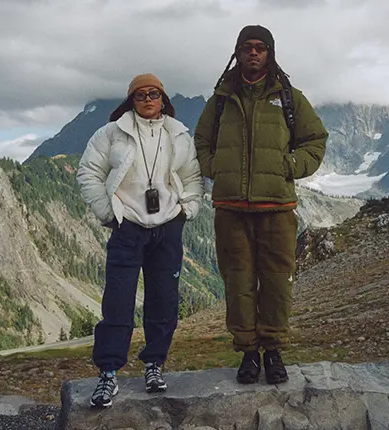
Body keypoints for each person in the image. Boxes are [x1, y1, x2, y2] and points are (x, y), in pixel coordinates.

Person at [193, 25, 328, 385]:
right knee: (237, 283)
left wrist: (290, 167)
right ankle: (248, 353)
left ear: (270, 53)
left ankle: (273, 352)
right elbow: (201, 140)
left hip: (277, 208)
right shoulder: (221, 99)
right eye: (247, 47)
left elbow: (315, 140)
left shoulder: (288, 98)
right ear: (236, 52)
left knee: (276, 283)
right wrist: (216, 167)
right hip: (231, 209)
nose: (253, 53)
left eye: (260, 48)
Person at [77, 73, 204, 407]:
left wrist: (186, 211)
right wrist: (108, 212)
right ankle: (108, 374)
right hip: (127, 227)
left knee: (163, 300)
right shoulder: (110, 133)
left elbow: (192, 176)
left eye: (154, 93)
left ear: (163, 98)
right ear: (131, 100)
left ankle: (154, 365)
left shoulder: (178, 135)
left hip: (167, 227)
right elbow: (88, 172)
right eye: (140, 95)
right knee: (117, 302)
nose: (148, 99)